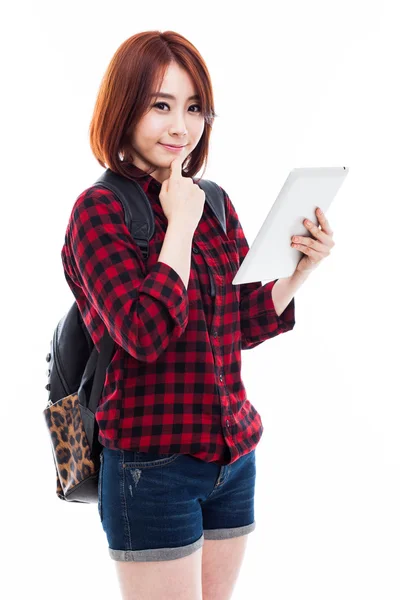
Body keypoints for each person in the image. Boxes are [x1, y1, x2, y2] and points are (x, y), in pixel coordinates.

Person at [61, 29, 334, 600]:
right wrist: (177, 225)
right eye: (160, 105)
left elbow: (240, 323)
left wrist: (297, 273)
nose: (180, 127)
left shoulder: (213, 200)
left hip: (232, 457)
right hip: (150, 467)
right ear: (124, 105)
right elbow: (143, 334)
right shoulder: (99, 210)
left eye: (193, 108)